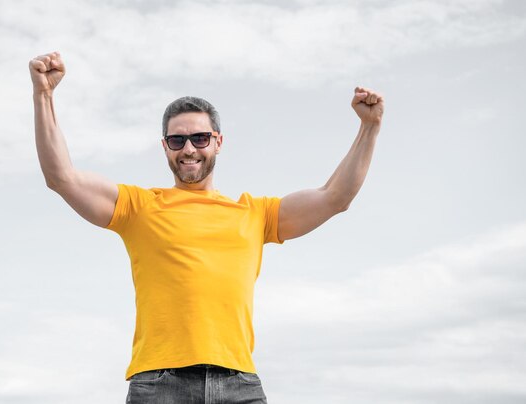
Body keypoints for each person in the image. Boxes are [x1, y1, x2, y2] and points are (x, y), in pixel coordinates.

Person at [29, 51, 384, 404]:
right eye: (177, 140)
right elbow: (61, 177)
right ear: (165, 147)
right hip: (160, 384)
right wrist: (43, 95)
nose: (188, 149)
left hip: (240, 385)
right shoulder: (139, 207)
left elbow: (335, 197)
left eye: (199, 138)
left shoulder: (255, 213)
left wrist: (369, 128)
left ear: (218, 141)